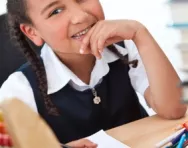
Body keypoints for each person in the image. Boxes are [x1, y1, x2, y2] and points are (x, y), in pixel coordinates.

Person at [0, 0, 187, 147]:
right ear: (32, 32)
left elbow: (174, 110)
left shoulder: (125, 49)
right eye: (55, 11)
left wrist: (140, 34)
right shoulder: (19, 88)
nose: (80, 16)